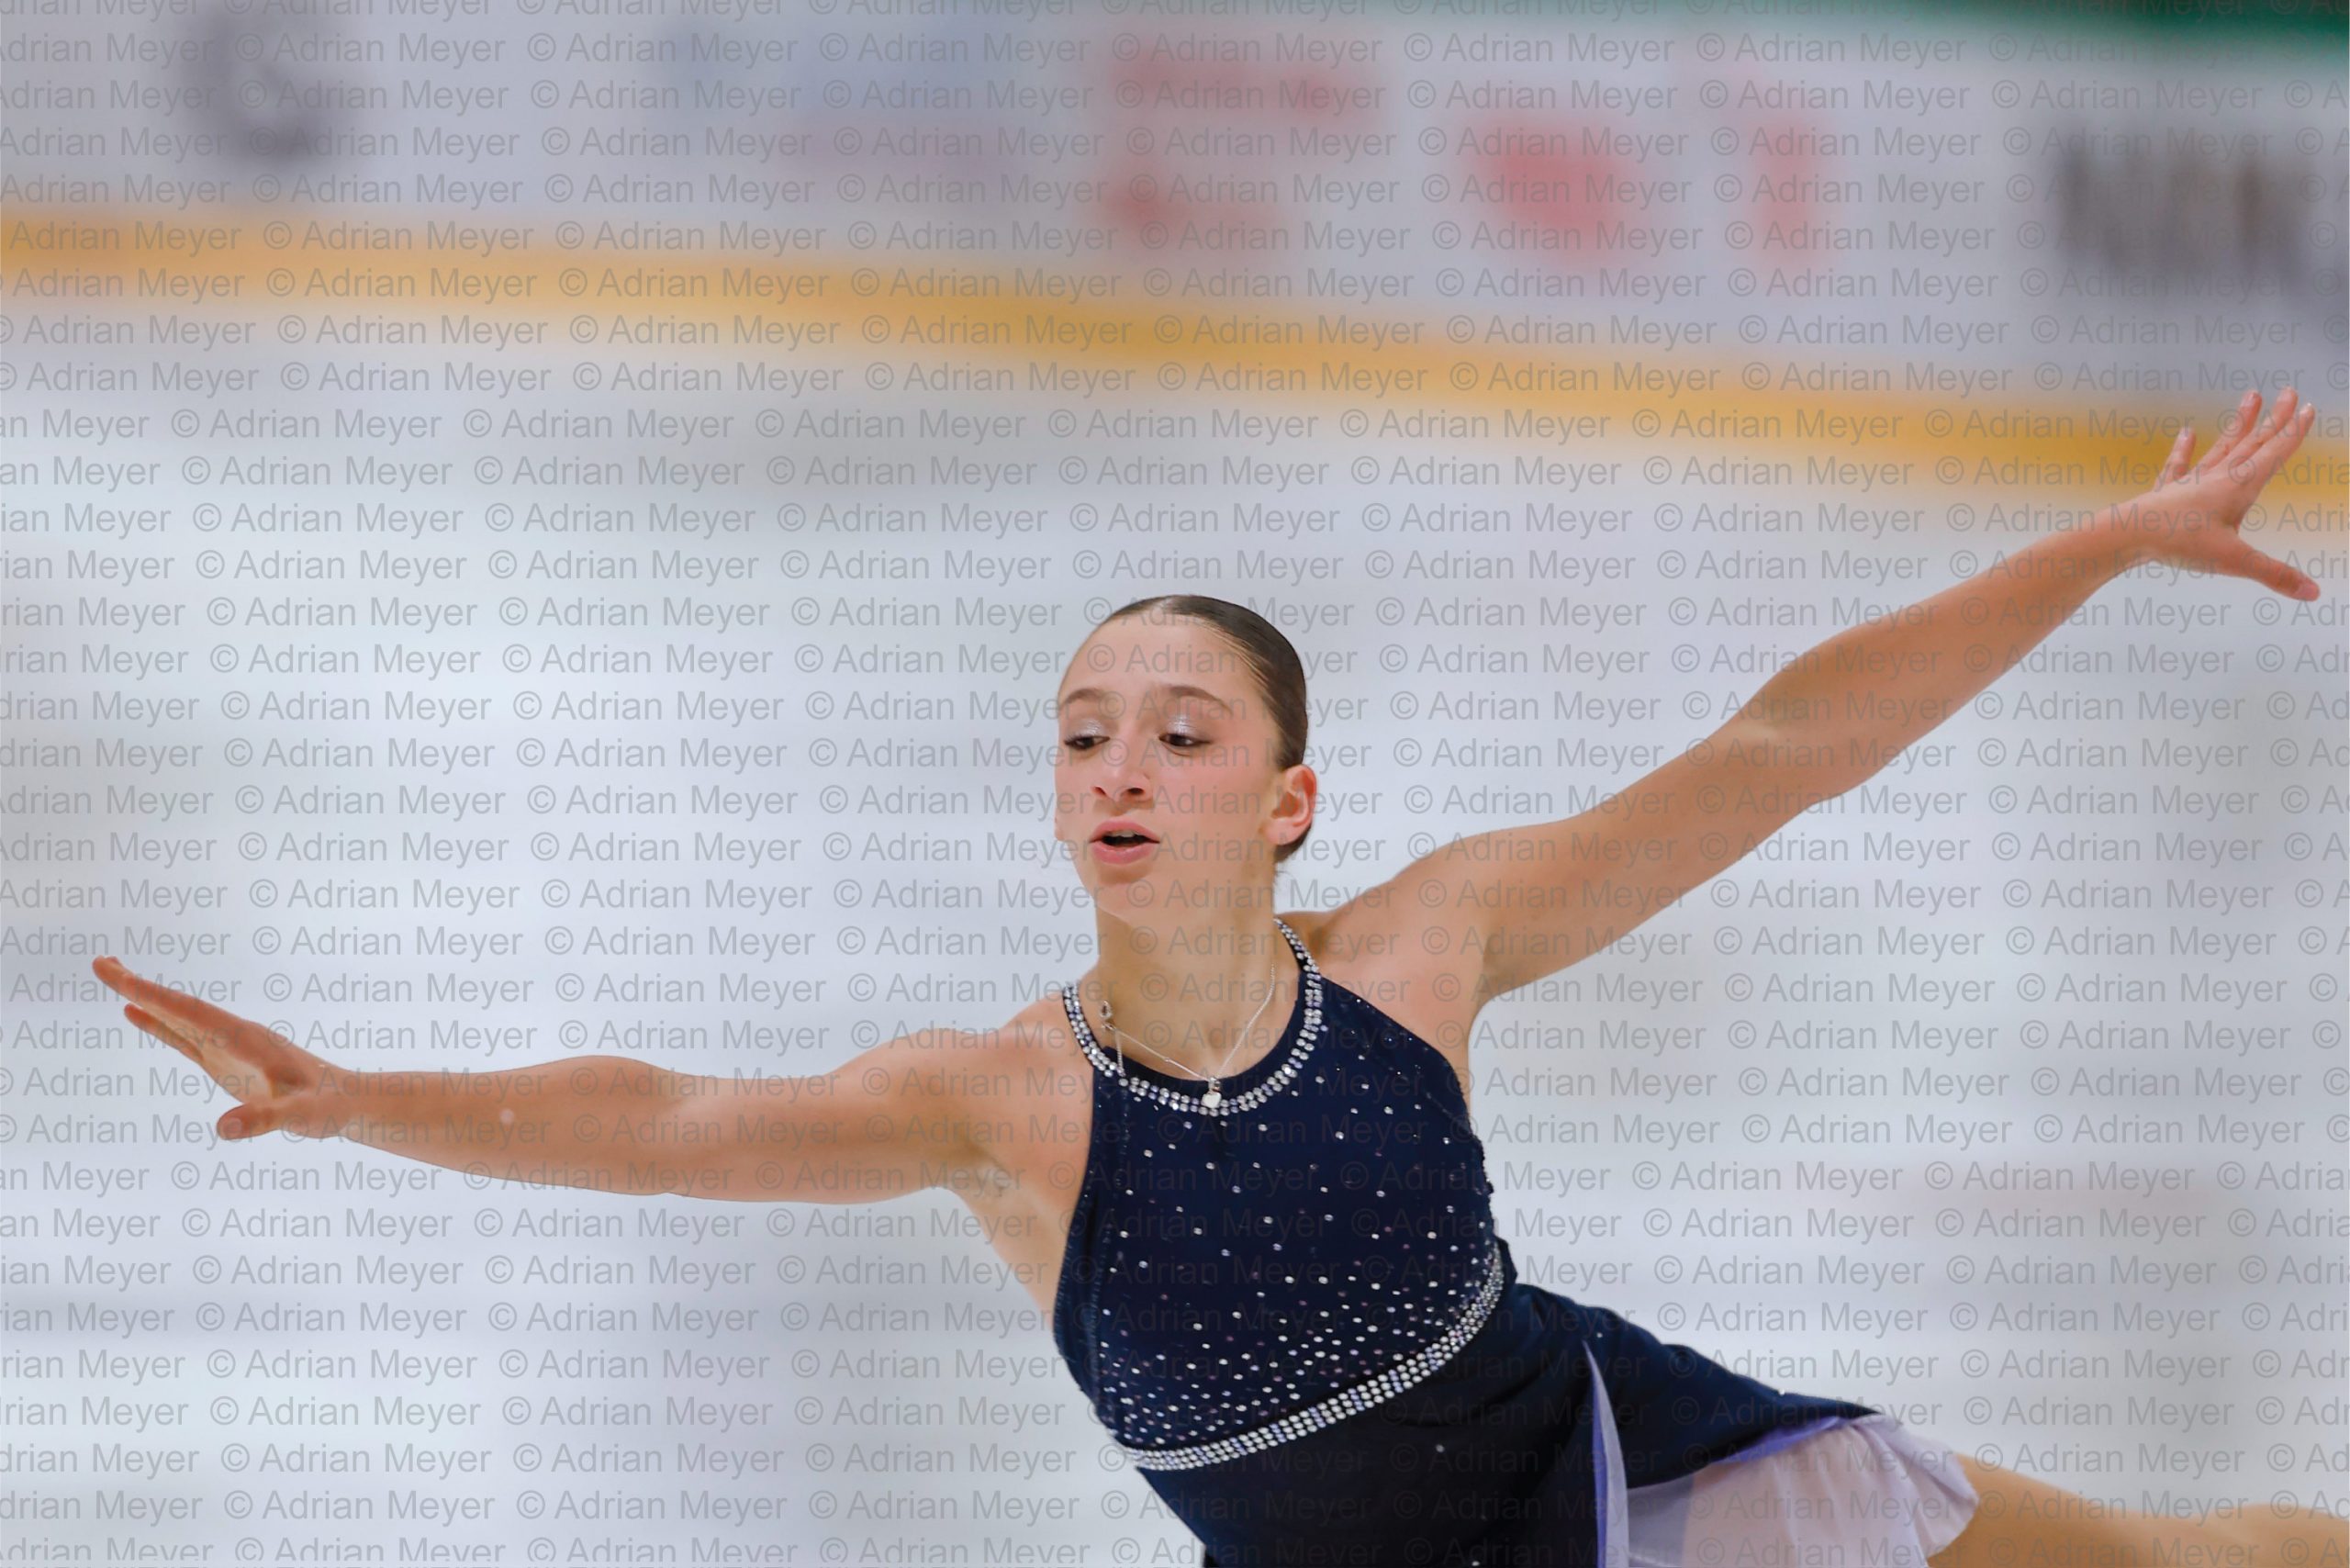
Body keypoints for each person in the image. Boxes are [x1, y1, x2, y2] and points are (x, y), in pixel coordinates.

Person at [99, 389, 2342, 1567]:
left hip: (1620, 1474)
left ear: (1283, 796)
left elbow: (1781, 743)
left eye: (1179, 730)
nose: (1119, 766)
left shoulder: (1423, 949)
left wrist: (2097, 541)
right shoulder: (991, 1102)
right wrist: (358, 1089)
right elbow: (662, 1122)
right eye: (1083, 731)